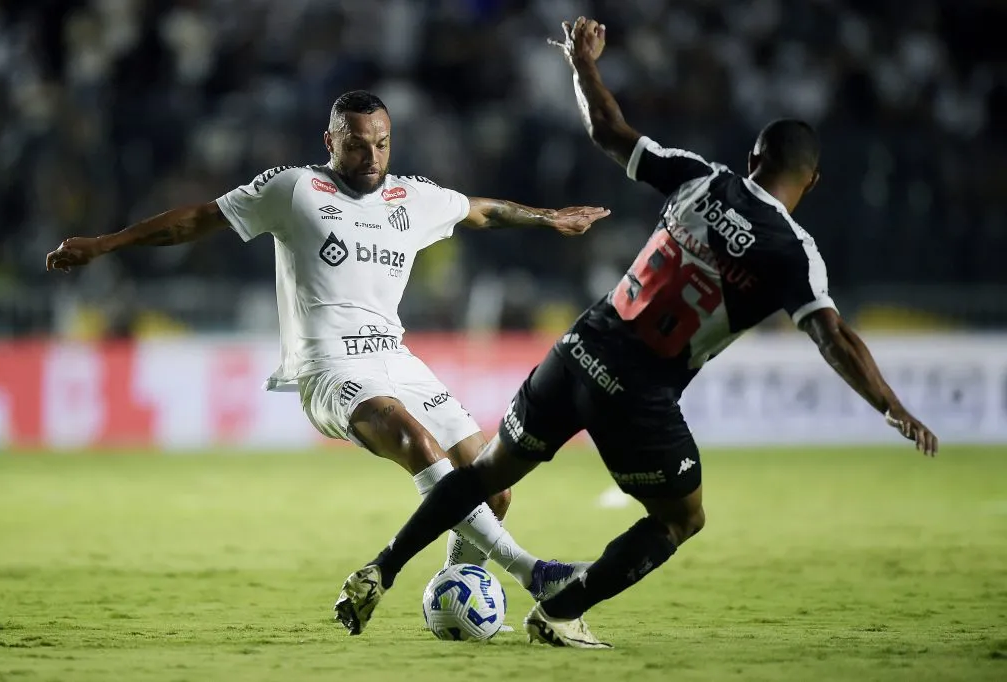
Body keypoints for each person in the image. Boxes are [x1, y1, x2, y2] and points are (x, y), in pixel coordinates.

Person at [332, 19, 939, 648]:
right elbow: (834, 338)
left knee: (484, 473)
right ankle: (561, 610)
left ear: (754, 160)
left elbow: (608, 132)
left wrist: (583, 64)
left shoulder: (703, 177)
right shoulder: (794, 251)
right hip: (640, 391)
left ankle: (384, 566)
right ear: (809, 183)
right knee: (682, 517)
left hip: (578, 350)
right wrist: (890, 405)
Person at [45, 90, 611, 632]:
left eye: (383, 144)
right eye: (359, 144)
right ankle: (536, 573)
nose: (372, 157)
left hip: (396, 358)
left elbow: (481, 212)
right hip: (329, 368)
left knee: (495, 486)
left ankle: (456, 585)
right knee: (412, 438)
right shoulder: (295, 190)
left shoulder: (410, 198)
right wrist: (106, 244)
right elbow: (198, 220)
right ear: (330, 141)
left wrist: (548, 217)